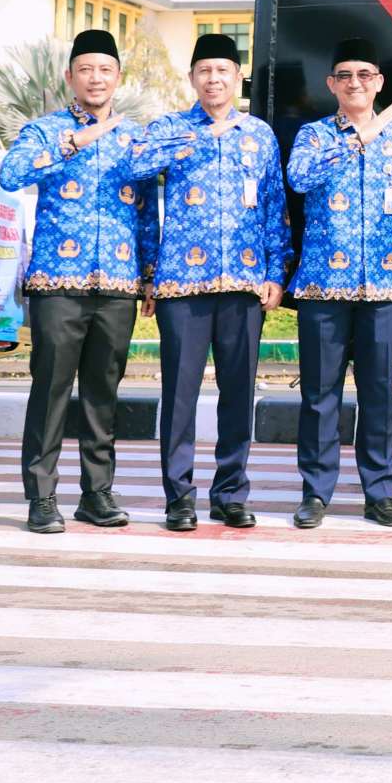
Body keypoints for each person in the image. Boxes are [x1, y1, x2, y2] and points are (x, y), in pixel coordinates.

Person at [126, 33, 289, 532]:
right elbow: (137, 173)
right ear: (192, 78)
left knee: (239, 391)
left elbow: (274, 207)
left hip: (243, 283)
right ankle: (179, 496)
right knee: (180, 393)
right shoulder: (169, 128)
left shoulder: (259, 134)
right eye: (204, 71)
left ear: (238, 77)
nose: (214, 79)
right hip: (182, 285)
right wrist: (149, 274)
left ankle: (230, 492)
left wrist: (275, 273)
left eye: (223, 70)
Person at [0, 28, 159, 532]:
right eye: (85, 69)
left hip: (116, 284)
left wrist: (149, 274)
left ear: (118, 77)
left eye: (105, 69)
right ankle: (42, 497)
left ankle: (97, 493)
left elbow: (148, 214)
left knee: (102, 391)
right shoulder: (45, 130)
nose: (95, 78)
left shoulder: (136, 136)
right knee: (50, 388)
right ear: (69, 77)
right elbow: (11, 174)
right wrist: (74, 141)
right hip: (57, 283)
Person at [284, 37, 392, 529]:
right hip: (323, 286)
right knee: (319, 394)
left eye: (364, 76)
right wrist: (359, 139)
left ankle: (380, 491)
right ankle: (316, 491)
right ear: (331, 84)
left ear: (379, 83)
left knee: (379, 393)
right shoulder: (313, 135)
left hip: (385, 287)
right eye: (345, 76)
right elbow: (299, 179)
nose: (355, 84)